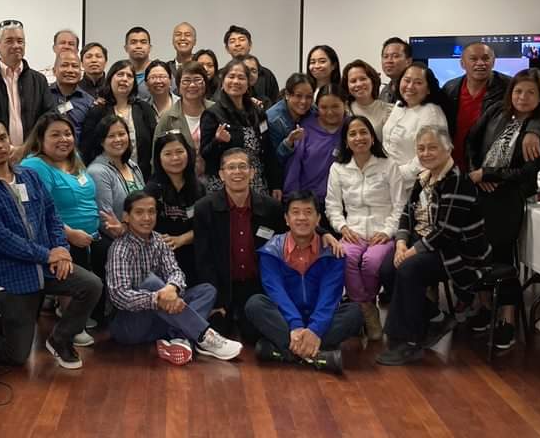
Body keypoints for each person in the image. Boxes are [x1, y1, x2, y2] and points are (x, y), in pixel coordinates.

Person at [0, 115, 102, 369]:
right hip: (15, 275)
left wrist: (60, 248)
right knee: (17, 355)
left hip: (48, 265)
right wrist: (47, 255)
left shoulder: (29, 175)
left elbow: (52, 215)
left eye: (3, 138)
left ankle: (60, 339)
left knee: (91, 285)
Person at [376, 126, 490, 366]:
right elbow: (407, 214)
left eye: (432, 147)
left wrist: (410, 252)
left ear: (448, 149)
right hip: (425, 241)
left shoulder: (457, 182)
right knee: (386, 269)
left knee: (407, 269)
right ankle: (436, 317)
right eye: (421, 148)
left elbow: (446, 233)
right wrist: (400, 243)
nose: (426, 153)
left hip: (456, 252)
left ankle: (407, 342)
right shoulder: (424, 178)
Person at [465, 69, 540, 350]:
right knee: (475, 252)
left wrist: (489, 174)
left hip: (508, 197)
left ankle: (508, 319)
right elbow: (471, 142)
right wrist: (477, 172)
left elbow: (527, 171)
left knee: (501, 256)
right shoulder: (497, 112)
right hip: (479, 190)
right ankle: (484, 307)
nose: (523, 97)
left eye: (530, 92)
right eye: (518, 91)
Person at [107, 191, 242, 365]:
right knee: (151, 283)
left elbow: (176, 272)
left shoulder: (159, 241)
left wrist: (171, 288)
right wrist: (157, 298)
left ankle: (179, 339)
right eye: (139, 212)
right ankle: (203, 335)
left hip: (162, 320)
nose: (147, 218)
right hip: (130, 326)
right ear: (126, 217)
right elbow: (119, 296)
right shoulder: (120, 248)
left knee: (207, 290)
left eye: (151, 211)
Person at [246, 191, 363, 373]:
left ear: (318, 219)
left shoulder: (333, 252)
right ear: (286, 219)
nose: (302, 218)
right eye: (295, 212)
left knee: (354, 312)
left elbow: (329, 296)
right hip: (286, 320)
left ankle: (282, 352)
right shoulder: (271, 251)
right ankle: (318, 357)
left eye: (308, 212)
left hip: (321, 320)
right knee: (255, 304)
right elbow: (277, 294)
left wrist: (315, 330)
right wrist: (296, 325)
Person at [20, 113, 113, 334]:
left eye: (68, 133)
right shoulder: (35, 165)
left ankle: (94, 312)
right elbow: (37, 213)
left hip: (91, 234)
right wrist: (69, 234)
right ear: (40, 139)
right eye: (55, 135)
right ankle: (69, 324)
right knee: (73, 257)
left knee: (114, 251)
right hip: (58, 237)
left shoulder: (74, 159)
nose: (64, 139)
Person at [194, 149, 286, 340]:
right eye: (231, 167)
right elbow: (203, 260)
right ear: (221, 174)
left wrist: (323, 233)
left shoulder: (271, 208)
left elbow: (294, 231)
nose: (237, 172)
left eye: (243, 166)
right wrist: (215, 300)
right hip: (222, 288)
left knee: (254, 335)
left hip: (258, 288)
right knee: (216, 333)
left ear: (252, 172)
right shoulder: (205, 208)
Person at [326, 115, 404, 340]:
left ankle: (363, 306)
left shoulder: (388, 165)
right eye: (352, 134)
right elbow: (332, 205)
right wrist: (342, 227)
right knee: (343, 258)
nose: (358, 138)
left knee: (372, 263)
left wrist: (388, 231)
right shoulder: (338, 168)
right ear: (346, 140)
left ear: (372, 137)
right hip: (353, 231)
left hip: (383, 231)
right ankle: (367, 310)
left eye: (363, 132)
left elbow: (400, 205)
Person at [442, 42, 540, 171]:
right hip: (450, 164)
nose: (480, 63)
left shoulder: (508, 86)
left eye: (485, 58)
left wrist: (534, 131)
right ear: (462, 63)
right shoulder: (450, 88)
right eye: (473, 59)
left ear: (493, 62)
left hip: (486, 169)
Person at [0, 19, 54, 156]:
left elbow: (49, 118)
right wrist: (2, 145)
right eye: (9, 41)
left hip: (32, 155)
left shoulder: (39, 80)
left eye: (20, 41)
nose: (16, 45)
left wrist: (26, 148)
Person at [200, 60, 281, 197]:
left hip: (257, 183)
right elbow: (205, 154)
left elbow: (268, 150)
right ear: (223, 81)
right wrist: (218, 141)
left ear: (248, 83)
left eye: (241, 77)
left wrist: (275, 184)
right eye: (231, 76)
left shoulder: (258, 112)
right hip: (224, 185)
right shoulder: (212, 114)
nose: (236, 81)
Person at [80, 60, 157, 180]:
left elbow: (155, 144)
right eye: (120, 74)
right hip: (107, 177)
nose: (124, 79)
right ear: (110, 78)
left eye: (129, 76)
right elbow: (87, 148)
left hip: (142, 177)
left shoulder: (143, 109)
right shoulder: (98, 111)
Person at [145, 132, 204, 282]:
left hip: (194, 257)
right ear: (158, 158)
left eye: (179, 152)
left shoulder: (199, 188)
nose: (175, 158)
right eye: (168, 154)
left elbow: (205, 226)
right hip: (160, 261)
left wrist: (181, 239)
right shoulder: (151, 190)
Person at [382, 63, 450, 185]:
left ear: (428, 89)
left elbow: (429, 158)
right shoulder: (400, 105)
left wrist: (395, 175)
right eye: (407, 80)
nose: (410, 86)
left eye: (418, 83)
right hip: (387, 178)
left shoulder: (431, 115)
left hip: (410, 184)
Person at [283, 86, 347, 206]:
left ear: (345, 105)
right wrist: (292, 201)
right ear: (317, 107)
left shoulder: (352, 129)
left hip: (345, 203)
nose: (330, 112)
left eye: (335, 106)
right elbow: (294, 168)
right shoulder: (305, 129)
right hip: (309, 203)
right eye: (324, 107)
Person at [153, 61, 214, 175]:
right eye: (186, 81)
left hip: (215, 178)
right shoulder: (168, 118)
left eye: (197, 80)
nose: (192, 85)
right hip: (180, 180)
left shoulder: (216, 111)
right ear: (178, 86)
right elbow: (155, 158)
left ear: (205, 84)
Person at [86, 114, 145, 225]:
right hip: (118, 235)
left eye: (122, 134)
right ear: (101, 141)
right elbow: (106, 220)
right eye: (111, 136)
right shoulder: (97, 172)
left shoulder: (132, 165)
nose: (118, 139)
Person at [266, 73, 315, 170]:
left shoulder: (313, 112)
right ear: (287, 95)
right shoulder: (273, 119)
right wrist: (289, 142)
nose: (304, 101)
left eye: (309, 97)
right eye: (298, 96)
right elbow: (273, 161)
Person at [223, 25, 279, 103]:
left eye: (241, 39)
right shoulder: (221, 75)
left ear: (250, 45)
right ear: (227, 48)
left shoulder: (266, 75)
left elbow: (275, 103)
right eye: (232, 41)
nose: (237, 44)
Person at [48, 50, 94, 141]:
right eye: (64, 65)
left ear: (81, 72)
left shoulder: (89, 102)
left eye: (75, 66)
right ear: (54, 70)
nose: (70, 70)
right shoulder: (43, 95)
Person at [342, 59, 393, 135]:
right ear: (347, 86)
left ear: (372, 80)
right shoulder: (344, 110)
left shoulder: (389, 110)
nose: (358, 84)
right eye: (353, 81)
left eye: (363, 79)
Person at [378, 36, 412, 103]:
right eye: (385, 56)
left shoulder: (413, 89)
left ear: (408, 61)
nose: (389, 61)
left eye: (395, 56)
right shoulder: (384, 91)